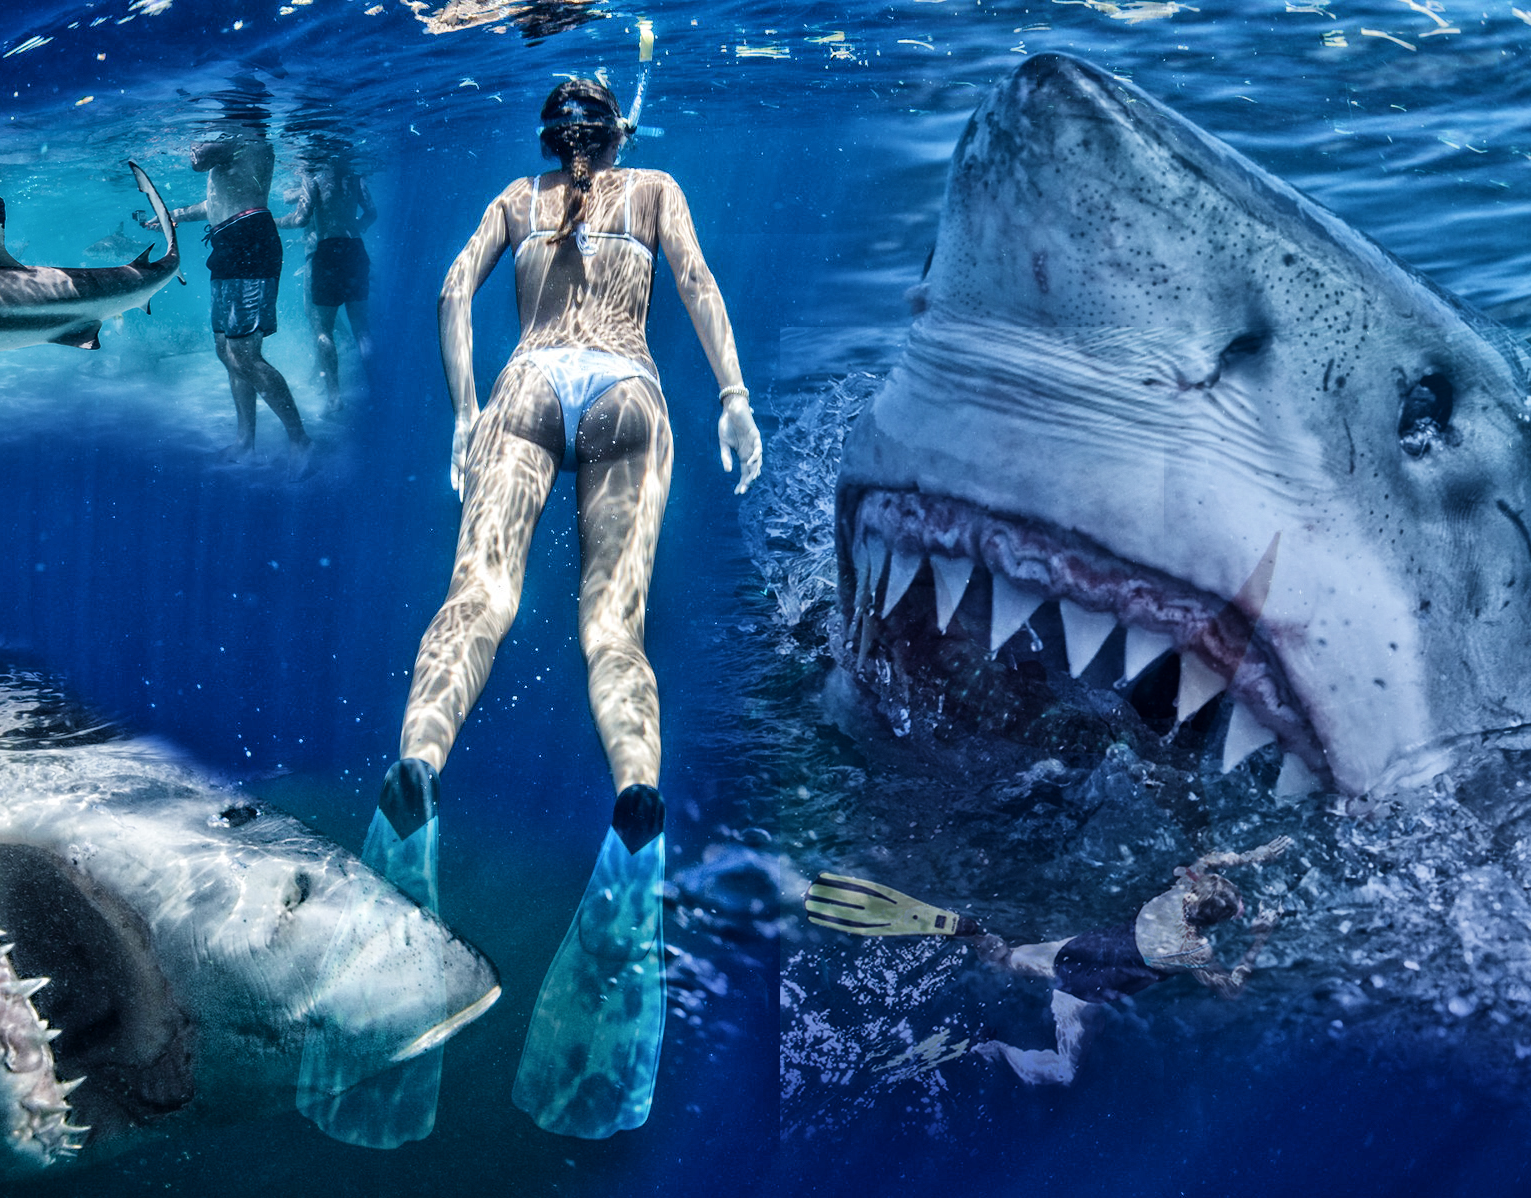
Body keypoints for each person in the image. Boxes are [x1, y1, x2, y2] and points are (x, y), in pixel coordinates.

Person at [345, 78, 761, 1143]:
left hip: (525, 386)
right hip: (629, 389)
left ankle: (421, 769)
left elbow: (448, 293)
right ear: (616, 139)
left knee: (476, 597)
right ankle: (635, 801)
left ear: (547, 141)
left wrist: (463, 415)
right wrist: (734, 398)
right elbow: (702, 285)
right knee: (610, 630)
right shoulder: (656, 189)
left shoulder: (510, 202)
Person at [806, 836, 1292, 1086]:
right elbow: (1229, 988)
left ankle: (972, 931)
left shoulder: (1174, 894)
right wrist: (1257, 942)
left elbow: (1207, 858)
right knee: (1063, 1075)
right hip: (1080, 998)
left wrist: (1253, 856)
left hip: (1069, 950)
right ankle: (988, 1048)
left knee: (1001, 957)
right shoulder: (1193, 950)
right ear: (1211, 920)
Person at [144, 116, 310, 468]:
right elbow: (214, 204)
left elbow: (196, 160)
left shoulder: (246, 136)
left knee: (245, 354)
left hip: (250, 242)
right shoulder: (238, 147)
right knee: (227, 351)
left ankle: (301, 442)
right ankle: (245, 441)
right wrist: (170, 216)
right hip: (229, 245)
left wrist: (195, 125)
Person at [277, 149, 376, 416]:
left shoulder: (313, 175)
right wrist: (354, 227)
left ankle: (334, 397)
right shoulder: (354, 176)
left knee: (322, 329)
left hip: (328, 251)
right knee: (362, 330)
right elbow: (371, 213)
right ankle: (378, 388)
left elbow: (300, 218)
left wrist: (272, 222)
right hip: (355, 249)